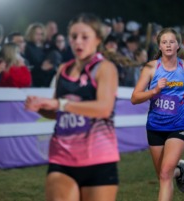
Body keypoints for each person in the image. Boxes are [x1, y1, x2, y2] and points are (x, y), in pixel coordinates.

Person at [25, 13, 120, 201]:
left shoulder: (105, 68)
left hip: (98, 158)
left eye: (85, 37)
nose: (78, 42)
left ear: (98, 40)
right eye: (74, 37)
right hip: (62, 157)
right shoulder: (63, 69)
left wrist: (61, 104)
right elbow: (57, 111)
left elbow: (104, 109)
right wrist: (41, 107)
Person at [131, 27, 184, 201]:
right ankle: (180, 171)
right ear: (160, 46)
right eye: (164, 42)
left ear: (178, 45)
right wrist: (155, 90)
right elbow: (135, 98)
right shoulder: (150, 68)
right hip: (155, 126)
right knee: (163, 175)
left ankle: (175, 170)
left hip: (178, 125)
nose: (168, 45)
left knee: (165, 174)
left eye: (172, 41)